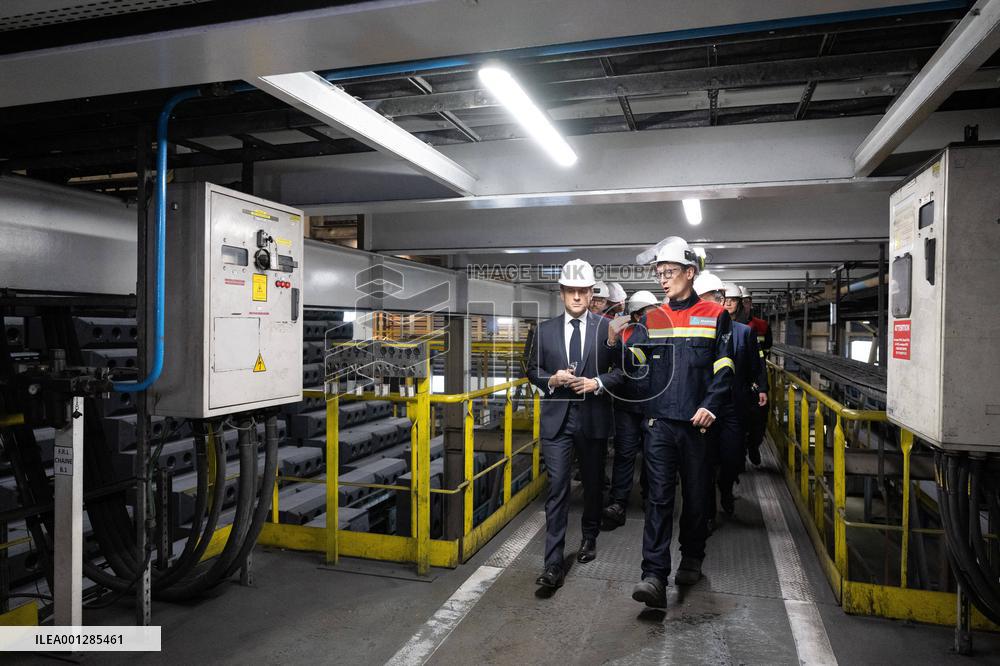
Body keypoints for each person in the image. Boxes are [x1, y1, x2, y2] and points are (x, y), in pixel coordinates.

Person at [610, 237, 734, 608]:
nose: (663, 280)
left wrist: (711, 405)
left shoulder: (716, 316)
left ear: (690, 273)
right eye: (660, 274)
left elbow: (724, 367)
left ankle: (692, 556)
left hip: (697, 426)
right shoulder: (652, 318)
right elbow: (637, 365)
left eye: (670, 273)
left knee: (696, 499)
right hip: (659, 423)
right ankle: (653, 575)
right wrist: (617, 343)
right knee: (659, 499)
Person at [526, 259, 624, 590]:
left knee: (594, 483)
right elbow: (531, 369)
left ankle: (589, 536)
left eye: (583, 290)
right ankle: (553, 563)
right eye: (572, 291)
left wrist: (597, 383)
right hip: (557, 421)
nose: (578, 296)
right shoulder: (544, 330)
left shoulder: (607, 329)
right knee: (557, 488)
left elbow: (621, 372)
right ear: (562, 292)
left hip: (593, 420)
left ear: (591, 292)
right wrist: (551, 379)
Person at [696, 275, 767, 521]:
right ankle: (708, 514)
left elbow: (756, 366)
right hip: (704, 406)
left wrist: (761, 389)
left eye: (723, 300)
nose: (722, 304)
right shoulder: (697, 331)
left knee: (733, 457)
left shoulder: (744, 333)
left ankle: (725, 488)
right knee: (705, 462)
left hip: (733, 407)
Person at [602, 289, 658, 530]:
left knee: (652, 454)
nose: (654, 315)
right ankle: (618, 502)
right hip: (626, 403)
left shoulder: (660, 334)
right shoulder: (622, 334)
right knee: (624, 454)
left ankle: (649, 496)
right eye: (648, 312)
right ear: (636, 316)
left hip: (653, 404)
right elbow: (621, 363)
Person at [724, 283, 769, 466]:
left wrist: (761, 387)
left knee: (754, 420)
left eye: (732, 300)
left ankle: (751, 446)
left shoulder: (750, 329)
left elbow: (759, 360)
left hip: (742, 387)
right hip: (720, 392)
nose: (727, 304)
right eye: (724, 300)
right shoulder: (710, 328)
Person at [741, 286, 772, 466]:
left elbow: (766, 351)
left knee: (759, 419)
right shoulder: (724, 324)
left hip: (756, 378)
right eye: (741, 301)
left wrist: (761, 383)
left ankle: (754, 445)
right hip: (738, 381)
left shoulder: (761, 326)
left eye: (746, 301)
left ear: (750, 303)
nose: (744, 305)